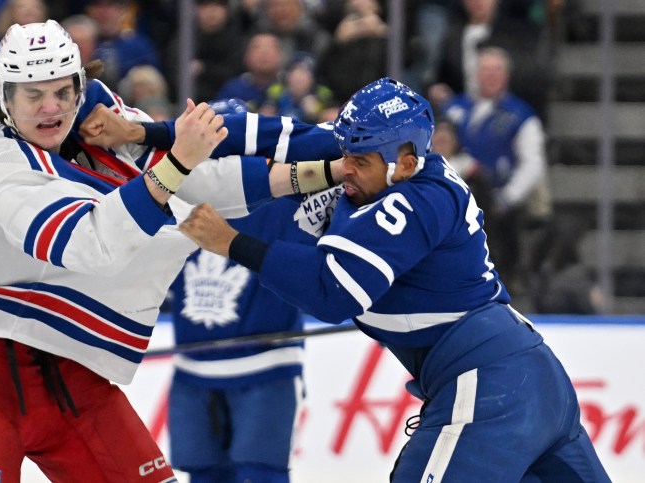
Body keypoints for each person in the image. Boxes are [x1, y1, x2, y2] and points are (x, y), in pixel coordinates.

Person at [0, 19, 341, 482]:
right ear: (5, 96)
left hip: (65, 362)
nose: (51, 107)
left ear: (79, 85)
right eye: (33, 95)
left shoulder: (94, 111)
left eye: (62, 91)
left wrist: (325, 172)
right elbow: (89, 243)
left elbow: (197, 182)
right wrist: (178, 160)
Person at [179, 78, 610, 482]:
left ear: (403, 161)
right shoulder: (370, 166)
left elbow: (330, 293)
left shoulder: (404, 198)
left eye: (358, 160)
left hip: (488, 383)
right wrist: (146, 134)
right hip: (521, 372)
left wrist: (231, 242)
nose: (346, 167)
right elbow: (277, 132)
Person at [166, 100, 315, 483]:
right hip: (192, 370)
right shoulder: (173, 198)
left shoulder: (288, 202)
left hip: (265, 369)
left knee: (258, 475)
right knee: (204, 474)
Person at [442, 46, 550, 292]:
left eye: (496, 70)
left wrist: (506, 198)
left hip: (496, 210)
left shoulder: (520, 115)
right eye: (485, 70)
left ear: (507, 75)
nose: (491, 75)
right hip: (453, 202)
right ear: (475, 73)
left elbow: (533, 162)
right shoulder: (453, 108)